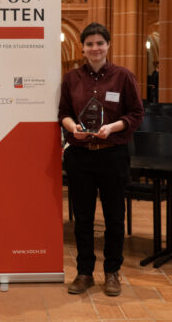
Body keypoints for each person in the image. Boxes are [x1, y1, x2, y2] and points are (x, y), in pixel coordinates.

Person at [58, 22, 144, 297]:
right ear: (82, 48)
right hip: (80, 156)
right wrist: (72, 128)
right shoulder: (71, 79)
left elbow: (135, 113)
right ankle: (84, 272)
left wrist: (113, 128)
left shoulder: (123, 77)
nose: (95, 48)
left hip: (112, 155)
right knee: (82, 217)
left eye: (100, 43)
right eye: (90, 43)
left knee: (114, 217)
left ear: (108, 46)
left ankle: (112, 272)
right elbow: (63, 113)